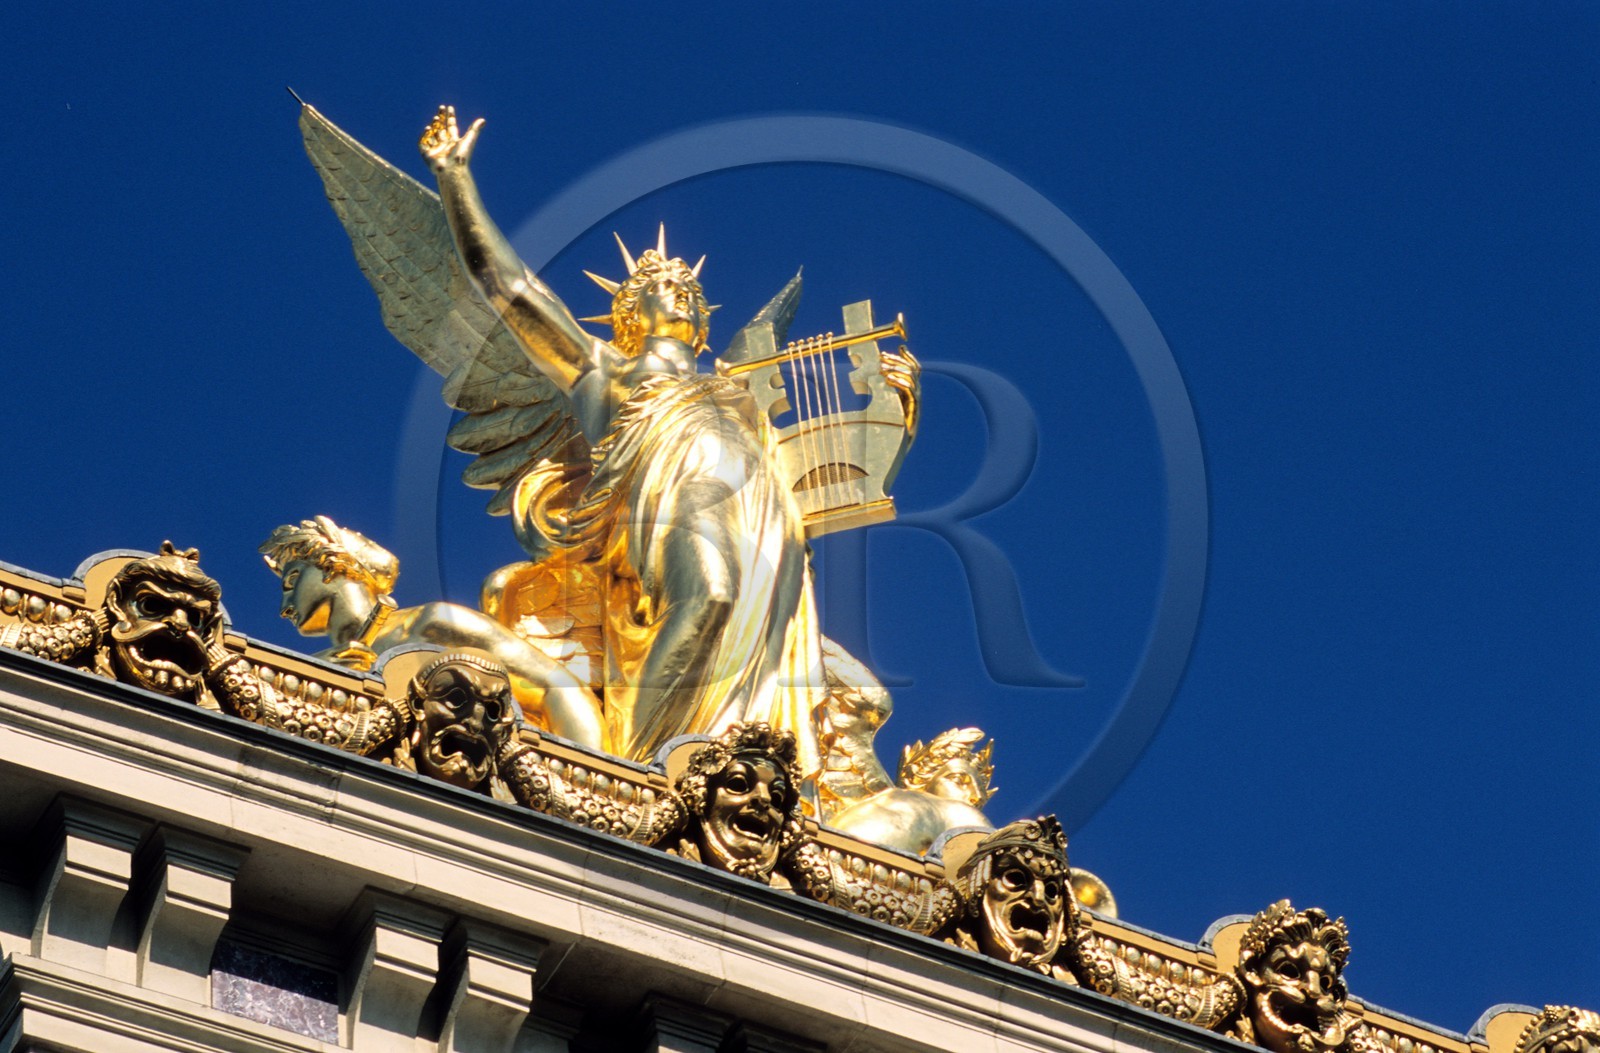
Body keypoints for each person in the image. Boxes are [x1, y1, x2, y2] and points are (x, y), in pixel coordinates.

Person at [421, 106, 890, 781]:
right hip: (668, 481)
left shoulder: (734, 392)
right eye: (659, 288)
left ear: (703, 323)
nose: (678, 293)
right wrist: (454, 181)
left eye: (688, 291)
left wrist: (896, 407)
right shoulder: (600, 370)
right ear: (626, 315)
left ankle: (724, 759)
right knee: (709, 598)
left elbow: (835, 469)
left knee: (759, 621)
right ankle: (634, 771)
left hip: (758, 501)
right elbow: (511, 289)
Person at [259, 516, 609, 752]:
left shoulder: (430, 624)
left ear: (336, 564)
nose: (284, 607)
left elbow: (557, 688)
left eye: (292, 581)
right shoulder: (323, 666)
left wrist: (588, 780)